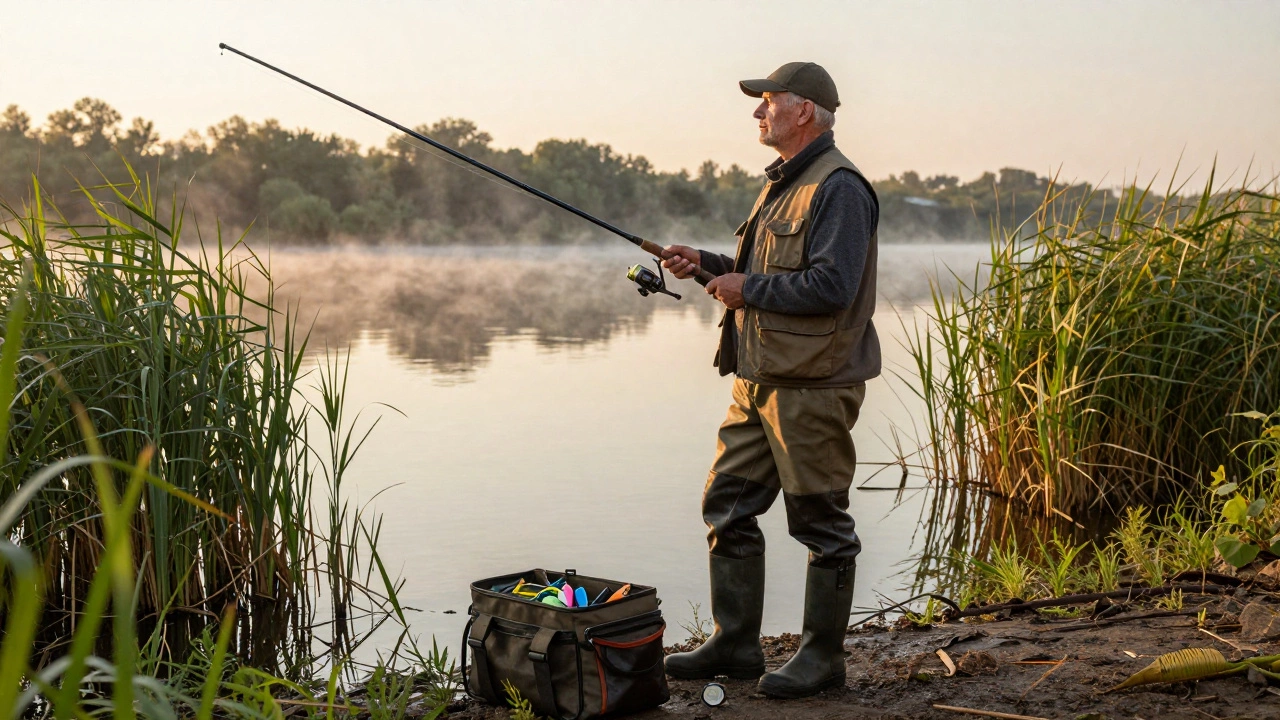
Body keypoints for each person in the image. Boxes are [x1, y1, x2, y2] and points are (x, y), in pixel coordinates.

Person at [660, 61, 880, 699]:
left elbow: (831, 287)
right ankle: (735, 642)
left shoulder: (838, 187)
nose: (758, 112)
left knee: (820, 524)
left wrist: (744, 287)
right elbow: (765, 273)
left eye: (768, 101)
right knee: (726, 506)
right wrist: (708, 265)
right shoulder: (783, 184)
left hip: (812, 386)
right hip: (756, 380)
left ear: (803, 110)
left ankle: (822, 659)